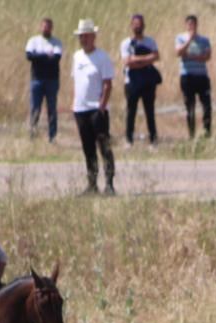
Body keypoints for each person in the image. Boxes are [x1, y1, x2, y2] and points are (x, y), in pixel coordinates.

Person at [72, 19, 117, 195]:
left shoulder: (102, 57)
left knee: (104, 146)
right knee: (88, 148)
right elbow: (77, 81)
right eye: (81, 36)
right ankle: (92, 184)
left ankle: (109, 184)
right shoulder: (77, 57)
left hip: (97, 109)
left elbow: (108, 84)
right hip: (80, 109)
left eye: (86, 36)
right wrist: (74, 104)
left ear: (93, 36)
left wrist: (101, 107)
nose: (83, 39)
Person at [119, 14, 162, 148]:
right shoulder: (126, 43)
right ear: (131, 25)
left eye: (140, 23)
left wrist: (136, 60)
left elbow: (156, 56)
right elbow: (127, 62)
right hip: (131, 82)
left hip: (148, 82)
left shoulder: (150, 41)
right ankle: (128, 139)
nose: (138, 26)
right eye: (135, 24)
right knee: (131, 111)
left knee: (150, 111)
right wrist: (146, 60)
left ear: (144, 25)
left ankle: (153, 140)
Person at [26, 17, 64, 143]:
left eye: (48, 27)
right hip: (36, 79)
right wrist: (45, 55)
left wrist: (39, 57)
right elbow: (29, 56)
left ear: (51, 28)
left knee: (52, 108)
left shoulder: (56, 42)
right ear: (40, 27)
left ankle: (52, 136)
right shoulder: (33, 41)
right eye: (44, 26)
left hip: (52, 80)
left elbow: (56, 58)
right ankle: (32, 133)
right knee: (35, 107)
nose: (46, 29)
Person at [175, 14, 214, 139]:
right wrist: (189, 41)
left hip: (201, 76)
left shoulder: (204, 40)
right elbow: (179, 52)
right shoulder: (180, 38)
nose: (191, 26)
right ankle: (191, 134)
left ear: (197, 25)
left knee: (207, 106)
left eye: (194, 24)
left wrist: (190, 56)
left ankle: (207, 132)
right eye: (189, 24)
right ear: (186, 25)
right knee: (190, 106)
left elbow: (207, 57)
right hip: (187, 76)